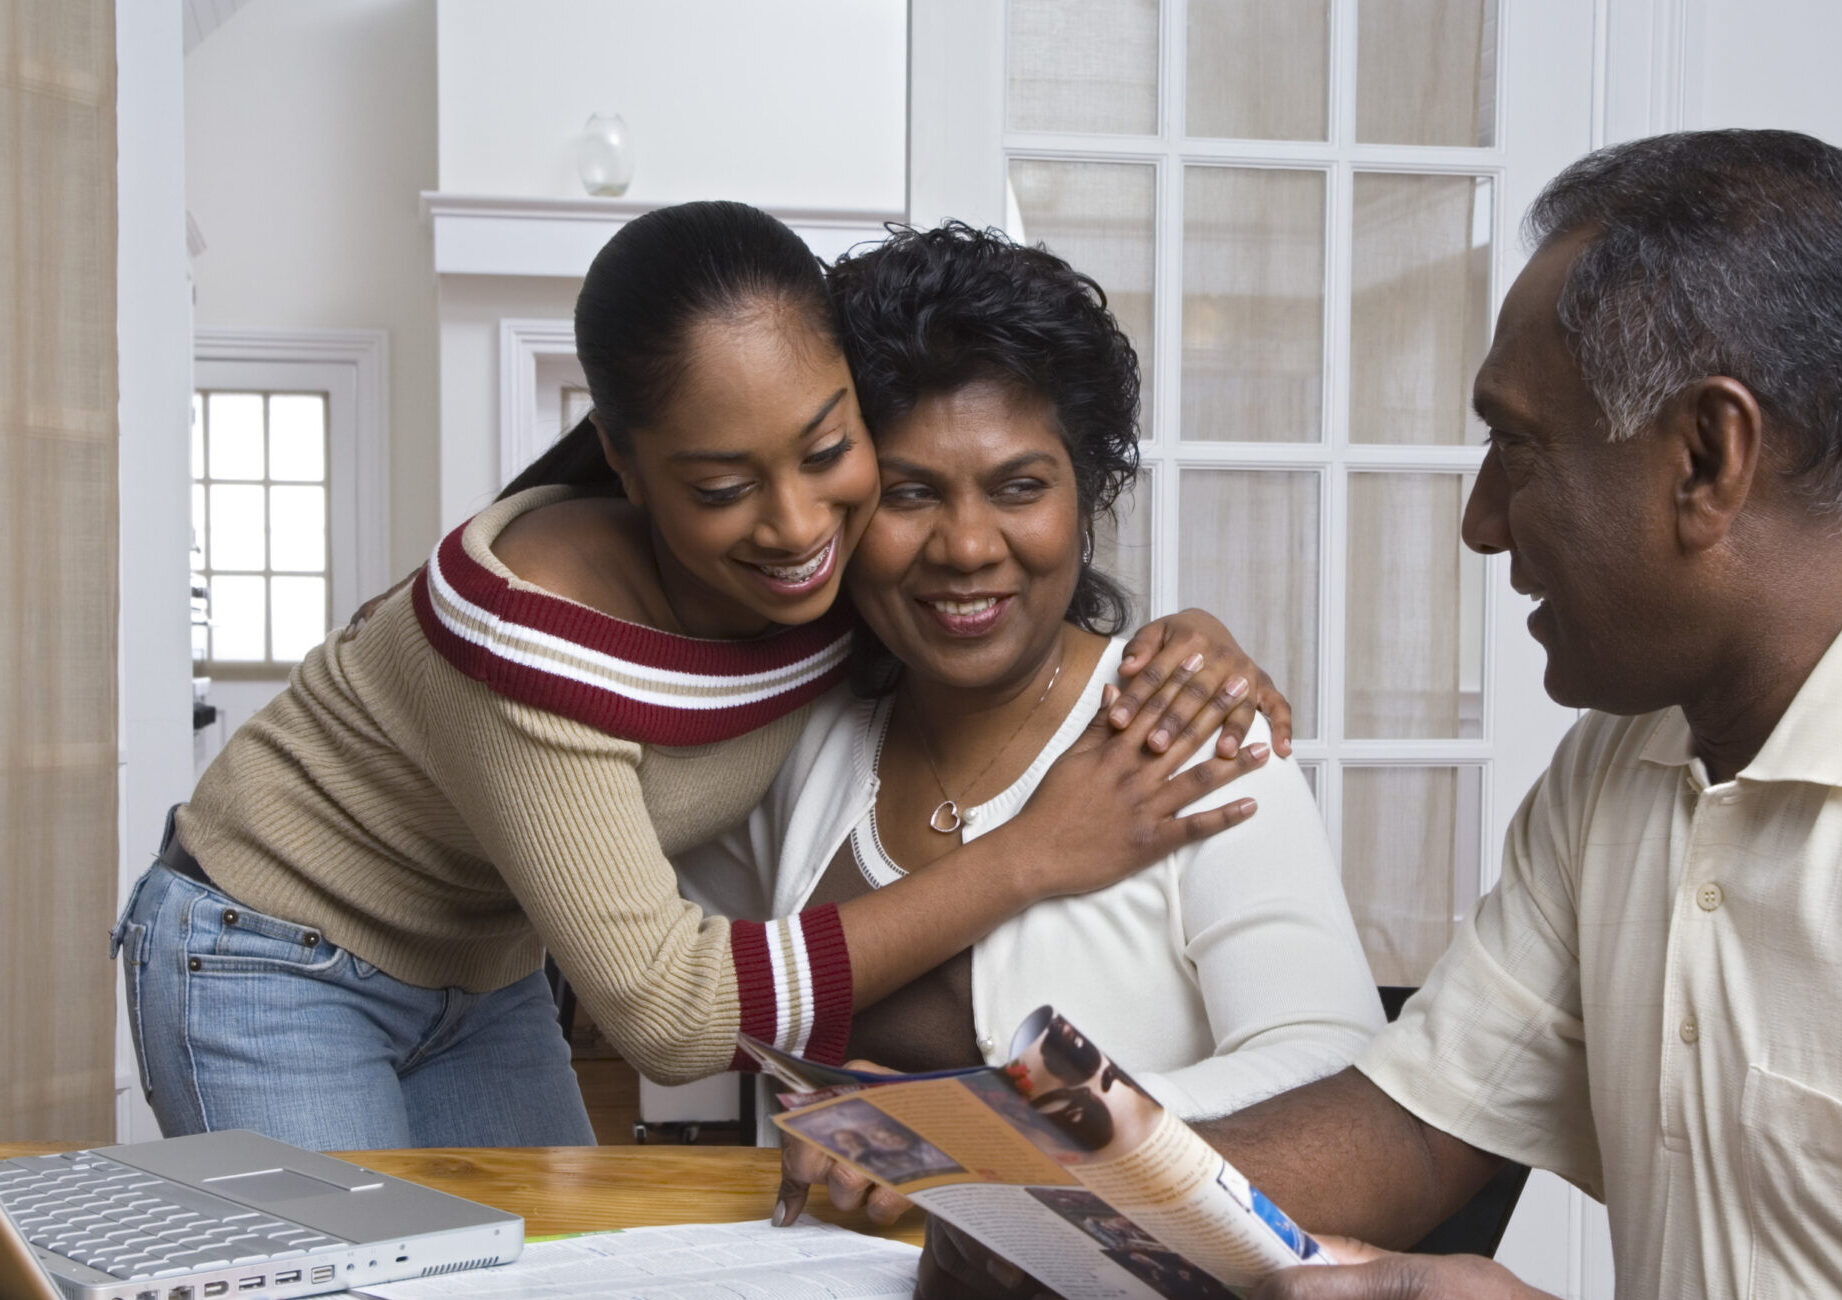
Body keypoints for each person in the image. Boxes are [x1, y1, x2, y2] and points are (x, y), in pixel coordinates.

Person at [906, 131, 1842, 1298]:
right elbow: (1414, 1124)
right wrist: (1055, 1207)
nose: (1481, 520)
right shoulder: (1625, 760)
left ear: (1706, 456)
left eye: (1518, 448)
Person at [112, 200, 1300, 1152]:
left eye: (833, 452)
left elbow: (979, 573)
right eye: (723, 488)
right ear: (625, 464)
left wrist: (1175, 638)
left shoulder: (838, 576)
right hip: (266, 949)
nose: (795, 527)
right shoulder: (533, 634)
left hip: (482, 967)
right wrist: (1036, 852)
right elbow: (672, 1018)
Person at [674, 224, 1382, 1220]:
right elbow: (674, 971)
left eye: (1019, 487)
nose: (966, 546)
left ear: (1085, 497)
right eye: (911, 493)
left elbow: (1334, 1072)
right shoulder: (801, 740)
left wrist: (1005, 1133)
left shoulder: (1192, 733)